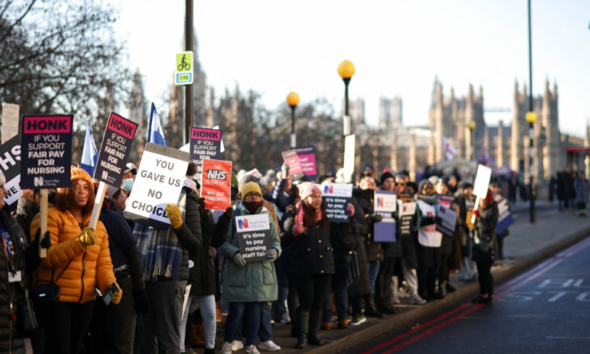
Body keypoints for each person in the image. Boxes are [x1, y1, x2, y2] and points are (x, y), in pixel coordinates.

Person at [30, 167, 119, 353]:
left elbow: (103, 264)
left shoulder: (98, 225)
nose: (81, 191)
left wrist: (110, 284)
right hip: (56, 299)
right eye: (76, 186)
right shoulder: (49, 216)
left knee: (75, 348)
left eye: (86, 187)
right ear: (65, 190)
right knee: (59, 349)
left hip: (85, 300)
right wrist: (79, 243)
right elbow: (46, 259)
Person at [135, 176, 203, 354]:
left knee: (168, 338)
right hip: (145, 276)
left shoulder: (186, 199)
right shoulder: (143, 197)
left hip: (171, 278)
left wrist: (179, 224)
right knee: (146, 338)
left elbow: (196, 245)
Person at [283, 183, 354, 348]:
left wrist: (347, 220)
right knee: (306, 301)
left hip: (324, 264)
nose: (317, 199)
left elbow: (337, 239)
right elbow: (283, 239)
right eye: (313, 196)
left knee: (318, 301)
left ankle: (313, 333)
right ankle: (302, 336)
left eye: (319, 196)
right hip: (303, 265)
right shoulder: (293, 213)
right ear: (305, 198)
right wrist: (293, 232)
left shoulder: (326, 215)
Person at [220, 182, 281, 354]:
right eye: (250, 194)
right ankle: (228, 342)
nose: (253, 197)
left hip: (260, 273)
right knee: (236, 311)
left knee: (255, 312)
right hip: (240, 272)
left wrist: (275, 251)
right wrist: (234, 253)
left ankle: (251, 344)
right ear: (243, 196)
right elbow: (223, 243)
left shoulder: (267, 217)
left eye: (257, 194)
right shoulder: (234, 215)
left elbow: (276, 240)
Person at [89, 186, 149, 354]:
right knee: (99, 341)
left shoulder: (112, 218)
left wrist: (139, 287)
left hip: (120, 283)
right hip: (94, 289)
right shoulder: (80, 221)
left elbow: (132, 252)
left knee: (120, 342)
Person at [0, 171, 47, 353]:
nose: (5, 192)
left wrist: (35, 252)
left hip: (14, 324)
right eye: (0, 187)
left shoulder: (10, 223)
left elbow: (21, 265)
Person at [318, 175, 359, 330]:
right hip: (340, 249)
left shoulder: (324, 205)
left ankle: (331, 319)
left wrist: (352, 215)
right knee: (338, 286)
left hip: (336, 250)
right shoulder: (346, 203)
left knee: (330, 286)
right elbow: (355, 229)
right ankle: (340, 318)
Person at [352, 175, 383, 317]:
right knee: (364, 279)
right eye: (367, 183)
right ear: (360, 183)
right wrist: (368, 219)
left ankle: (370, 306)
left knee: (373, 278)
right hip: (365, 244)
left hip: (378, 243)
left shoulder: (378, 198)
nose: (371, 185)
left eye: (373, 183)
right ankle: (364, 307)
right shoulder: (357, 199)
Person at [373, 172, 401, 315]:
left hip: (392, 240)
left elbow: (399, 224)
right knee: (381, 273)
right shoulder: (377, 197)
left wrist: (397, 219)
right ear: (382, 183)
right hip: (381, 241)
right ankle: (380, 300)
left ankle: (385, 298)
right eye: (387, 181)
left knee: (388, 272)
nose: (390, 184)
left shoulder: (395, 200)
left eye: (392, 182)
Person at [415, 180, 442, 301]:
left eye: (430, 188)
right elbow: (416, 222)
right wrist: (430, 220)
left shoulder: (437, 202)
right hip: (424, 239)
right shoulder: (417, 202)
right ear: (420, 190)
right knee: (424, 268)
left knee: (434, 268)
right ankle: (422, 292)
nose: (428, 190)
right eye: (425, 188)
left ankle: (432, 291)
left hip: (436, 239)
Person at [471, 189, 499, 305]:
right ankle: (483, 293)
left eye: (482, 199)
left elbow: (489, 226)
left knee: (486, 271)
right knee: (480, 271)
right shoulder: (479, 208)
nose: (480, 201)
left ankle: (490, 294)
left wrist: (479, 218)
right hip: (478, 243)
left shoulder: (493, 209)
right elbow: (474, 227)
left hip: (488, 244)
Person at [455, 181, 477, 282]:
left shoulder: (474, 200)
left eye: (470, 189)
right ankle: (465, 272)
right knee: (465, 252)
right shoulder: (460, 200)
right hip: (464, 230)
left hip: (472, 229)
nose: (469, 191)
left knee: (471, 252)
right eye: (467, 189)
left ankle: (471, 272)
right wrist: (465, 224)